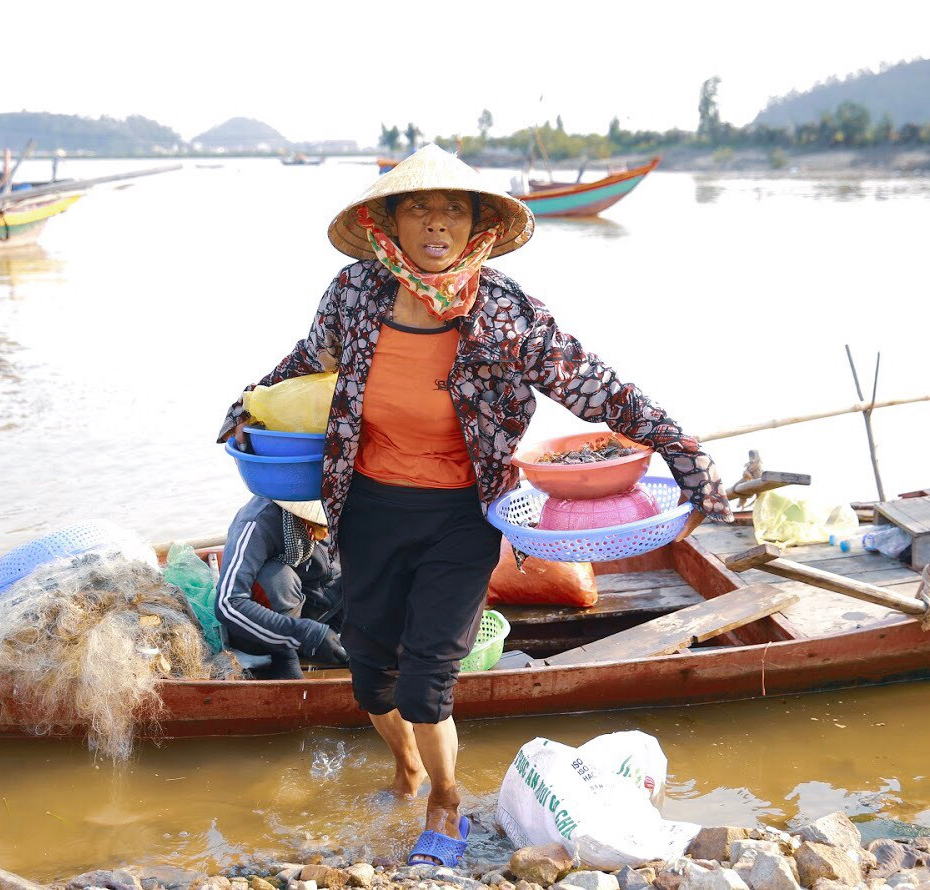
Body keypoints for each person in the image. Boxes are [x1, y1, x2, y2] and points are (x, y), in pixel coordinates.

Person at [218, 145, 732, 865]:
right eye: (419, 207)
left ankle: (446, 801)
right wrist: (244, 409)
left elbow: (597, 387)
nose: (437, 222)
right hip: (365, 504)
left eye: (453, 208)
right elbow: (309, 361)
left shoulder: (504, 309)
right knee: (369, 672)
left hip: (464, 512)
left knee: (428, 679)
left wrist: (682, 450)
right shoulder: (354, 293)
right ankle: (406, 768)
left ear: (476, 223)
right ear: (387, 221)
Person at [214, 497, 347, 679]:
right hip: (271, 630)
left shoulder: (338, 500)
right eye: (319, 526)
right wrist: (304, 634)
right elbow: (228, 603)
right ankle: (285, 660)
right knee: (277, 576)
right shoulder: (256, 523)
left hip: (321, 615)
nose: (325, 535)